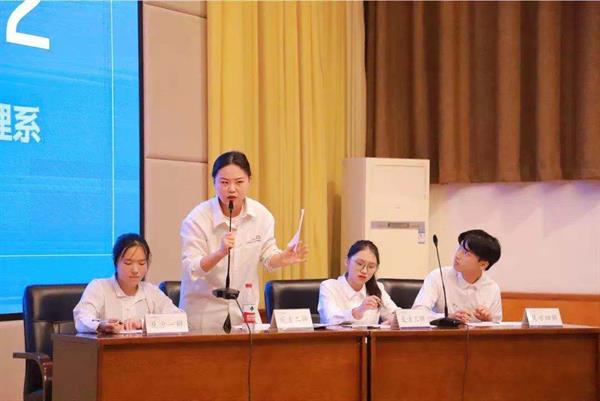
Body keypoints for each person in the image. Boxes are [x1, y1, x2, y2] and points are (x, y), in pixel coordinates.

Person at [180, 151, 308, 330]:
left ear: (249, 180)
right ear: (214, 182)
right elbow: (191, 268)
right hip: (204, 313)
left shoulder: (261, 215)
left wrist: (283, 258)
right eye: (224, 182)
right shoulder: (198, 219)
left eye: (239, 182)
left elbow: (268, 257)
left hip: (244, 311)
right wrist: (219, 253)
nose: (232, 189)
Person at [74, 233, 182, 333]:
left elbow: (179, 319)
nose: (135, 270)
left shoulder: (151, 291)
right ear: (116, 262)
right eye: (128, 263)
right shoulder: (99, 287)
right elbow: (81, 318)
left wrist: (144, 323)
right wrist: (101, 325)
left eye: (141, 263)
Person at [412, 229, 502, 323]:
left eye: (466, 253)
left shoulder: (492, 288)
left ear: (483, 264)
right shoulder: (437, 276)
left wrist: (488, 321)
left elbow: (498, 326)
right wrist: (446, 318)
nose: (458, 255)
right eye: (460, 248)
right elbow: (417, 313)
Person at [318, 240, 397, 325]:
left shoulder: (377, 288)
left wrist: (393, 321)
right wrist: (359, 310)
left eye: (371, 267)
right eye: (359, 264)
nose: (364, 271)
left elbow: (396, 314)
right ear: (347, 261)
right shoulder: (329, 286)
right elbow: (330, 318)